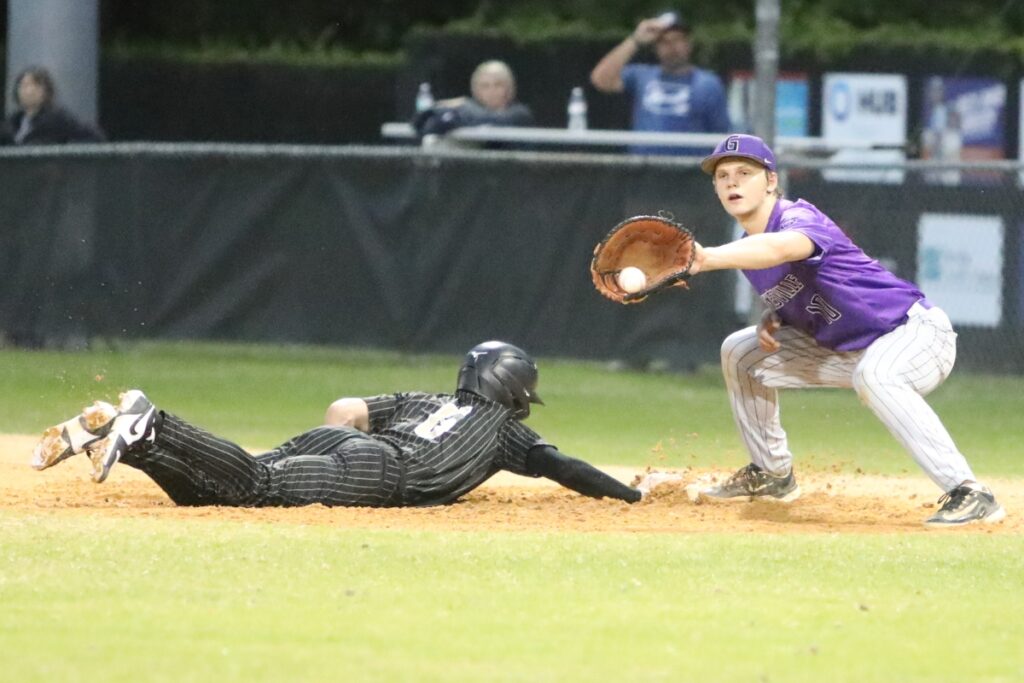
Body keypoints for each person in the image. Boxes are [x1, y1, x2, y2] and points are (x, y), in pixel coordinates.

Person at [682, 134, 1004, 527]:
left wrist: (705, 257)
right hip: (850, 350)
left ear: (770, 181)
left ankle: (970, 492)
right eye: (723, 176)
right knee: (741, 351)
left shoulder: (798, 218)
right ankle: (772, 475)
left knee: (876, 375)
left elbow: (784, 248)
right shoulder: (748, 246)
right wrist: (778, 316)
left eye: (745, 173)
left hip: (915, 334)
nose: (732, 182)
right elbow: (803, 289)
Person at [31, 341, 673, 507]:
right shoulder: (506, 430)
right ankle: (153, 422)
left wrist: (343, 454)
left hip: (345, 443)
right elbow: (567, 469)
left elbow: (344, 411)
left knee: (222, 488)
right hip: (378, 471)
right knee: (253, 485)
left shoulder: (427, 399)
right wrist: (628, 494)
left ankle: (127, 434)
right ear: (514, 395)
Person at [590, 12, 730, 155]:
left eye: (677, 40)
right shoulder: (641, 76)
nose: (672, 47)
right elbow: (601, 80)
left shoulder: (708, 84)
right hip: (642, 170)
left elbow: (719, 136)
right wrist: (635, 40)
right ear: (656, 48)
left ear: (688, 44)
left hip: (689, 171)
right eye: (664, 42)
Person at [412, 60, 534, 140]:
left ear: (509, 88)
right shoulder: (468, 113)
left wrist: (464, 106)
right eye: (485, 86)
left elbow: (490, 119)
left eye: (498, 85)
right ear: (475, 90)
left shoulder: (520, 113)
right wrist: (438, 110)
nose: (492, 91)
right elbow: (420, 122)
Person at [1, 66, 105, 145]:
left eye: (35, 85)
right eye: (24, 85)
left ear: (46, 91)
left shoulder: (58, 118)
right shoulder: (12, 122)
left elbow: (93, 136)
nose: (29, 91)